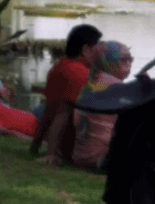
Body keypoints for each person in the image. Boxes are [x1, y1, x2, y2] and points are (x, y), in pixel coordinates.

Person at [30, 24, 102, 164]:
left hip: (62, 146)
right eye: (98, 48)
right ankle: (51, 154)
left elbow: (49, 111)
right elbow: (64, 112)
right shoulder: (80, 73)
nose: (101, 54)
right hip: (76, 149)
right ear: (86, 50)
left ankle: (49, 152)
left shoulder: (59, 66)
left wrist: (35, 146)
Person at [71, 41, 132, 171]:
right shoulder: (116, 86)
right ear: (109, 62)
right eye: (125, 59)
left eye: (131, 59)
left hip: (80, 156)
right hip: (101, 157)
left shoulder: (91, 83)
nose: (130, 64)